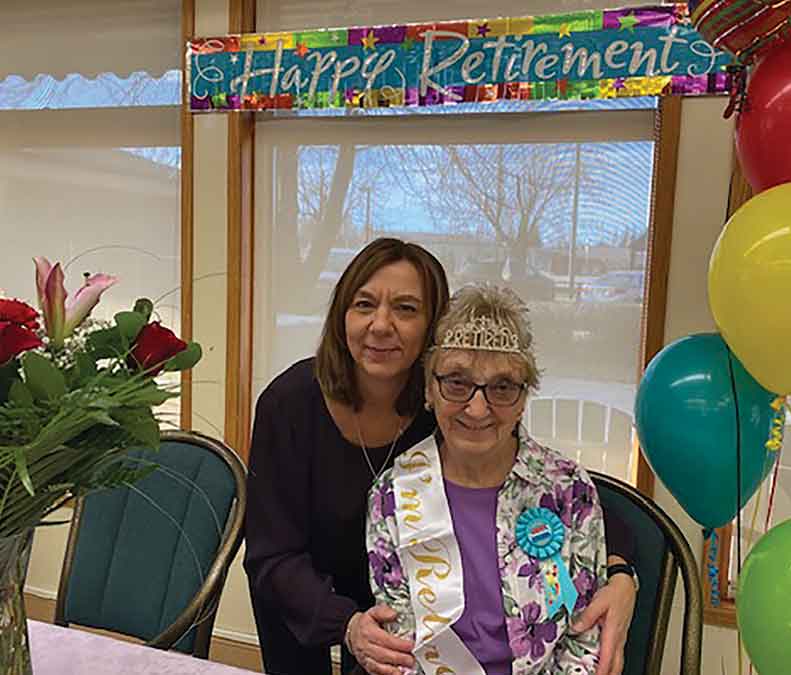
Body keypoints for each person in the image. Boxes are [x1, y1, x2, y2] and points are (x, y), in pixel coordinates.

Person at [245, 239, 638, 675]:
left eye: (406, 309)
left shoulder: (456, 401)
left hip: (401, 625)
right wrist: (348, 625)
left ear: (433, 329)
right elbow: (272, 555)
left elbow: (560, 495)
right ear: (342, 314)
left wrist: (621, 574)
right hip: (313, 607)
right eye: (364, 304)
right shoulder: (291, 405)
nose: (381, 324)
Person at [364, 285, 635, 674]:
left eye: (502, 387)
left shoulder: (568, 491)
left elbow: (583, 638)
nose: (477, 409)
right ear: (429, 389)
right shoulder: (392, 494)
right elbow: (401, 647)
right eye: (457, 382)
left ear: (525, 397)